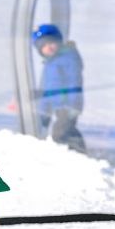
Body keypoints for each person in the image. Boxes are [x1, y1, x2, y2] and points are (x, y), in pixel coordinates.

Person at [32, 24, 86, 153]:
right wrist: (43, 111)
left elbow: (74, 82)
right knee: (60, 130)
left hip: (67, 105)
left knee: (61, 132)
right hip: (56, 104)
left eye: (52, 43)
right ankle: (73, 151)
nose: (49, 47)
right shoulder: (50, 63)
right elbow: (46, 89)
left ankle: (78, 153)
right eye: (44, 45)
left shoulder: (68, 58)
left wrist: (73, 105)